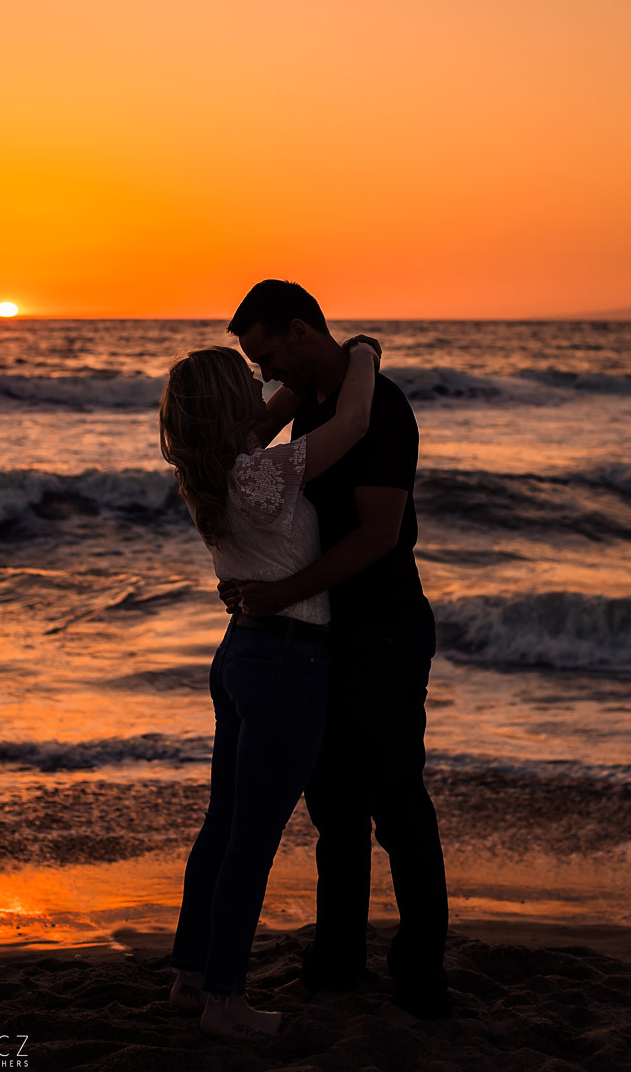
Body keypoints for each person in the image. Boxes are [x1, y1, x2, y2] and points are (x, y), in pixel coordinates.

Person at [221, 279, 451, 1025]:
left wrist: (284, 594)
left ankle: (421, 974)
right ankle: (337, 963)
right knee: (335, 810)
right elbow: (257, 427)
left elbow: (379, 535)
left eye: (267, 356)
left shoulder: (377, 408)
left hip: (384, 630)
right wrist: (348, 357)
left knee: (398, 806)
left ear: (298, 329)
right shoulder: (319, 403)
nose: (265, 376)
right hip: (326, 636)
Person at [159, 340, 378, 1041]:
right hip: (287, 657)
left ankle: (190, 977)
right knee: (251, 837)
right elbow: (350, 427)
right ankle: (225, 998)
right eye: (249, 383)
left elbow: (264, 419)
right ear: (232, 405)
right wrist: (364, 355)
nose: (266, 389)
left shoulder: (218, 470)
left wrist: (298, 374)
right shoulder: (259, 475)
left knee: (224, 827)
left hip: (243, 658)